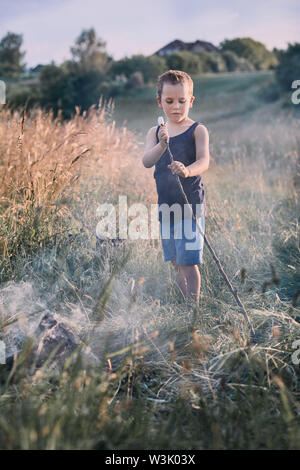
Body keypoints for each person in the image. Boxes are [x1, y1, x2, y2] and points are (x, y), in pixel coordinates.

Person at [142, 69, 210, 305]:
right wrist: (162, 145)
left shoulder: (197, 130)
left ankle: (194, 309)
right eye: (169, 101)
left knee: (188, 262)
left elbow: (204, 160)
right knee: (175, 262)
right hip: (167, 208)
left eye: (182, 101)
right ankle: (185, 304)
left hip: (190, 207)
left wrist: (188, 170)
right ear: (160, 102)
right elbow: (146, 161)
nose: (176, 107)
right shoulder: (156, 132)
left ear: (190, 100)